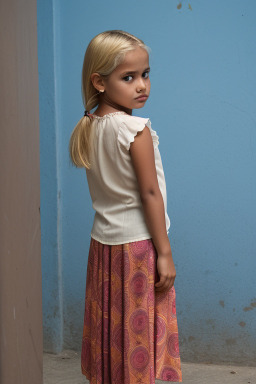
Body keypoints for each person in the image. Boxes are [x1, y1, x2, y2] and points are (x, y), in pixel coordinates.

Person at [69, 30, 182, 384]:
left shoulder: (90, 125)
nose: (141, 86)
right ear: (99, 81)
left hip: (103, 247)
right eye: (128, 77)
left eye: (145, 74)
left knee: (114, 328)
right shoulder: (135, 129)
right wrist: (164, 253)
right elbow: (150, 193)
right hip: (138, 249)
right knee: (138, 335)